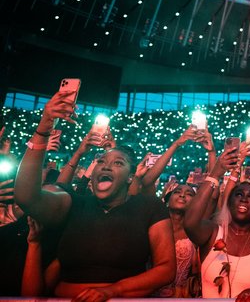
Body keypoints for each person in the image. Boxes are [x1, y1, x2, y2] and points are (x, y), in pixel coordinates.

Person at [14, 90, 175, 301]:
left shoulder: (149, 207)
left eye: (118, 163)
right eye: (101, 161)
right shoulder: (74, 203)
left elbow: (166, 269)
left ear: (130, 177)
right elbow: (27, 197)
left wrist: (111, 291)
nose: (106, 166)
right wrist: (45, 126)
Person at [184, 145, 250, 300]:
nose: (244, 198)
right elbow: (190, 223)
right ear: (229, 202)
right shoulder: (213, 232)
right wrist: (216, 172)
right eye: (238, 194)